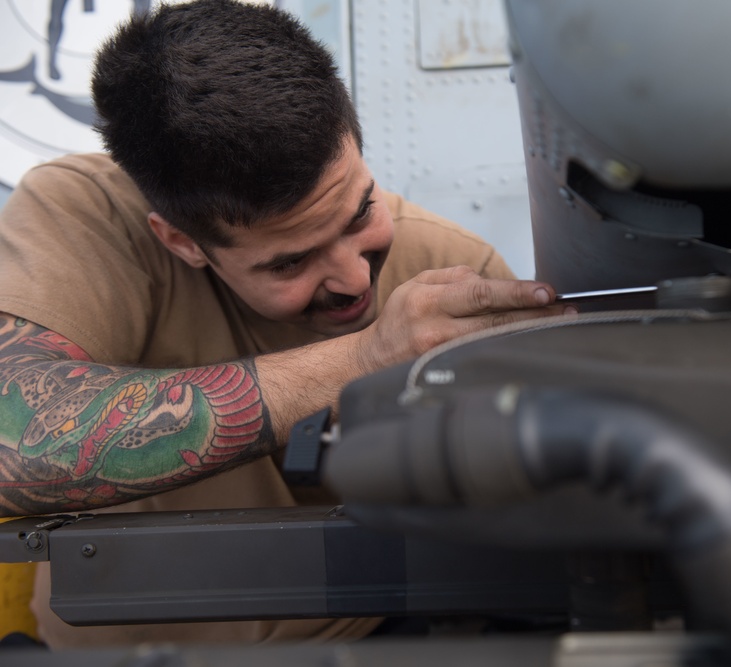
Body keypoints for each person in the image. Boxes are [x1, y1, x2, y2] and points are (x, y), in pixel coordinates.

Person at [0, 0, 570, 647]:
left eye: (359, 213)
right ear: (182, 240)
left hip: (368, 639)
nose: (355, 278)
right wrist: (360, 361)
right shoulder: (87, 216)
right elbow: (10, 438)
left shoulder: (448, 270)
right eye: (291, 260)